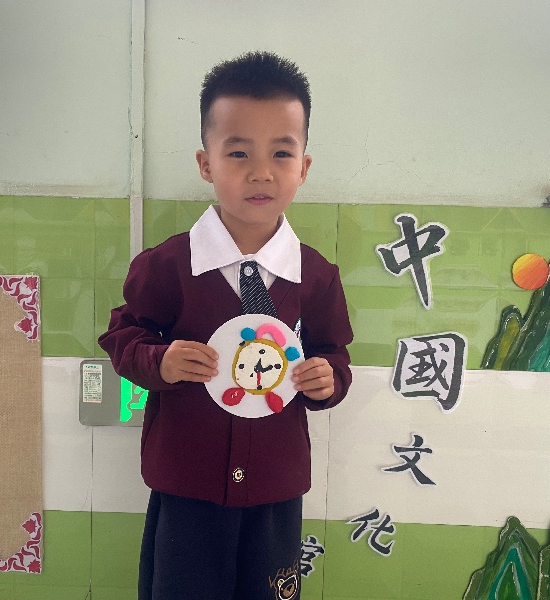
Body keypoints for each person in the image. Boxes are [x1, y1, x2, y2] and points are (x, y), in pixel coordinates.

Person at [99, 51, 353, 600]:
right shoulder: (166, 266)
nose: (261, 172)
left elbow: (335, 354)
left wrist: (327, 380)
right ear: (206, 163)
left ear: (303, 166)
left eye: (281, 153)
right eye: (238, 153)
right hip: (186, 485)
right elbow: (124, 338)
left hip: (276, 488)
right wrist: (160, 361)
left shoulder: (316, 276)